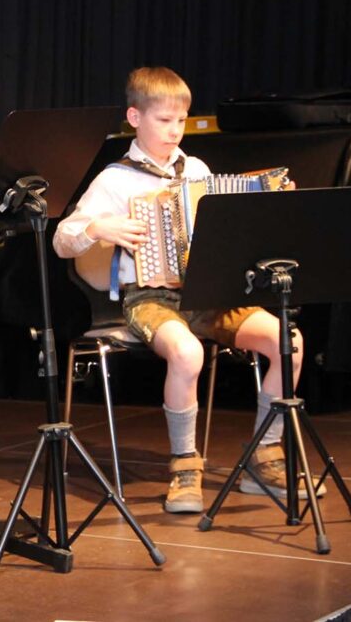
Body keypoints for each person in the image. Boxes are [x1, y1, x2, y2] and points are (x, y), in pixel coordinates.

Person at [53, 66, 318, 514]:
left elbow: (228, 231)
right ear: (134, 118)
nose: (175, 130)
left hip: (207, 293)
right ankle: (184, 465)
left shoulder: (195, 169)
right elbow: (62, 239)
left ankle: (264, 455)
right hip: (149, 298)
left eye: (181, 120)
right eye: (164, 120)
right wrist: (99, 229)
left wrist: (273, 200)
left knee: (287, 340)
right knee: (188, 352)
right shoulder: (114, 179)